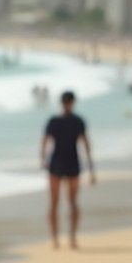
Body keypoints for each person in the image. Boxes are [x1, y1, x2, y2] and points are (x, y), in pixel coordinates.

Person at [41, 90, 96, 249]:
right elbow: (86, 144)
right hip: (65, 163)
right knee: (64, 202)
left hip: (62, 163)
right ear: (72, 102)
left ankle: (63, 238)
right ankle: (62, 238)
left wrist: (43, 159)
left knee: (62, 202)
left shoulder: (59, 121)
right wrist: (91, 168)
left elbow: (45, 142)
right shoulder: (74, 121)